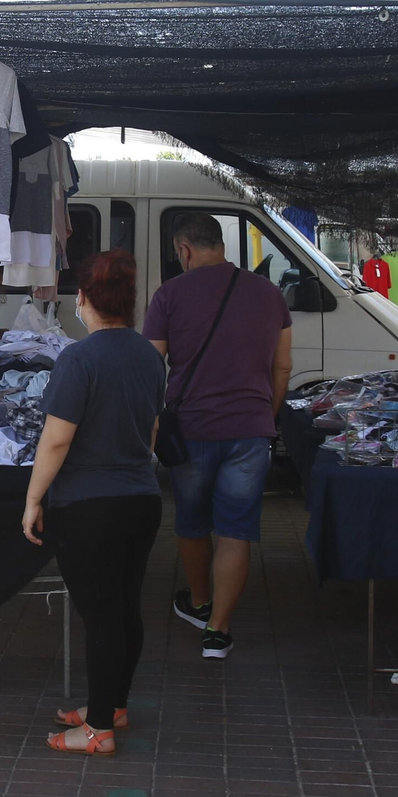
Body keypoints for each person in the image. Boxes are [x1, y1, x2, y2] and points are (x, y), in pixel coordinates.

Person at [22, 251, 167, 756]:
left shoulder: (79, 358)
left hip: (89, 506)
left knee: (101, 615)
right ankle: (113, 705)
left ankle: (99, 728)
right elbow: (152, 431)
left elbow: (56, 439)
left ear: (82, 299)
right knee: (124, 608)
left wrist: (33, 499)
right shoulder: (149, 356)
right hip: (142, 498)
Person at [144, 211, 293, 661]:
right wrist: (266, 415)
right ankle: (218, 631)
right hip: (250, 429)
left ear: (184, 250)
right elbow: (282, 366)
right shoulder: (269, 294)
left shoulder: (169, 294)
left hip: (192, 429)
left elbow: (151, 367)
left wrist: (151, 423)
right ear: (221, 245)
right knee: (235, 530)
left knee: (191, 523)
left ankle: (200, 601)